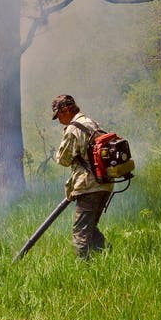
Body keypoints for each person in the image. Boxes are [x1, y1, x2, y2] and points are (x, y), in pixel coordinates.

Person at [52, 94, 113, 258]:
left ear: (65, 110)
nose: (58, 119)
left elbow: (63, 160)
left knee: (80, 232)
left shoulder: (74, 128)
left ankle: (83, 269)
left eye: (58, 115)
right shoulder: (91, 123)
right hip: (105, 182)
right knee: (90, 227)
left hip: (88, 185)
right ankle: (108, 255)